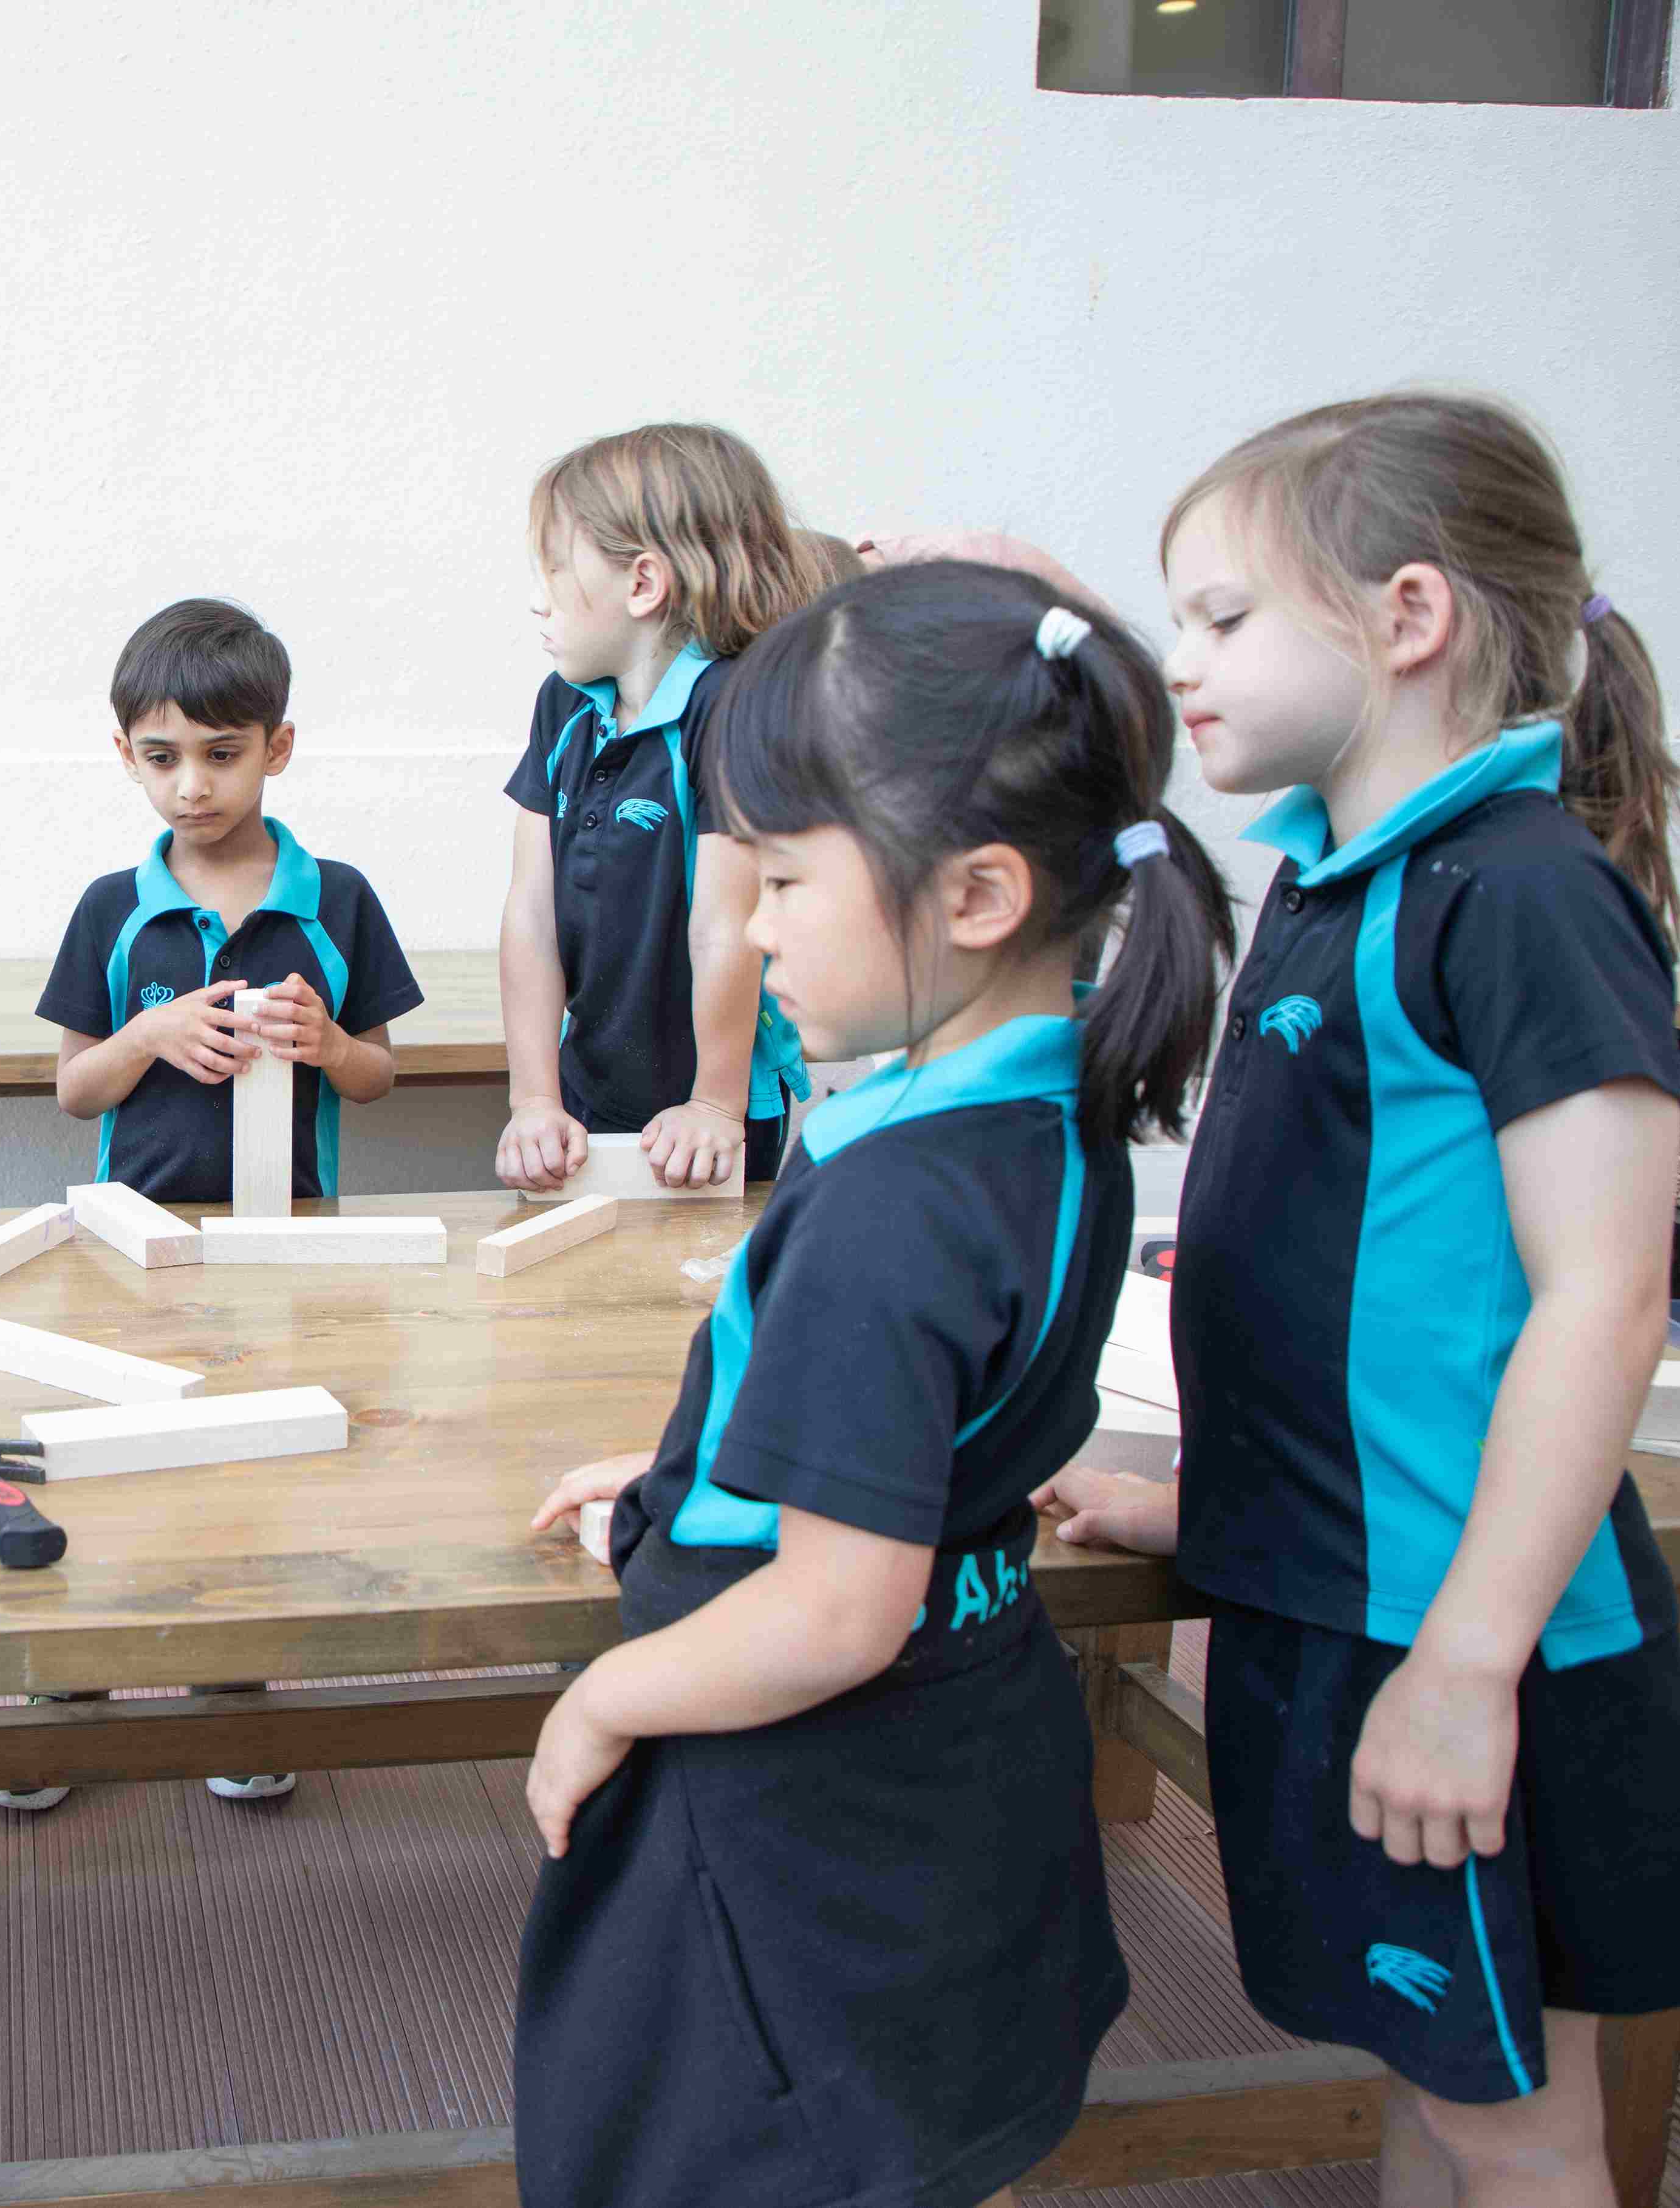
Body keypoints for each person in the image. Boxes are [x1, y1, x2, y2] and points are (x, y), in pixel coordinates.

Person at [1034, 393, 1680, 2206]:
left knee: (1515, 2123)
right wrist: (1211, 1503)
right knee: (1426, 2079)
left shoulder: (1516, 895)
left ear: (1404, 616)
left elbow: (1599, 1295)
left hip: (1461, 1636)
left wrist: (1466, 1660)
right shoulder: (1336, 884)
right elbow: (1389, 1300)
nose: (1182, 662)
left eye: (1219, 616)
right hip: (1355, 1607)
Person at [517, 560, 1235, 2208]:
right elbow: (917, 1430)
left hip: (804, 1809)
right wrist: (698, 1462)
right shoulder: (1045, 1120)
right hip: (965, 1755)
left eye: (777, 878)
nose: (747, 925)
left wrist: (599, 1698)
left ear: (973, 893)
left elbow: (835, 1611)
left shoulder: (895, 1208)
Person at [7, 596, 425, 1811]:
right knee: (95, 1456)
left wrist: (329, 1038)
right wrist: (144, 1028)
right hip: (125, 1246)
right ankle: (66, 1688)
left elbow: (381, 1073)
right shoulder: (109, 906)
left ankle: (230, 1681)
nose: (190, 785)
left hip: (279, 1239)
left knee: (252, 1463)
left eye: (220, 753)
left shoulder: (333, 895)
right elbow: (75, 1087)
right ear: (124, 754)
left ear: (275, 748)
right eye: (159, 756)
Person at [494, 425, 831, 1199]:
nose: (536, 598)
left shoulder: (728, 707)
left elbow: (728, 921)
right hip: (592, 1086)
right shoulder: (565, 706)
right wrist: (533, 1099)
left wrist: (712, 1102)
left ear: (642, 584)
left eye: (553, 567)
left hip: (711, 1105)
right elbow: (530, 915)